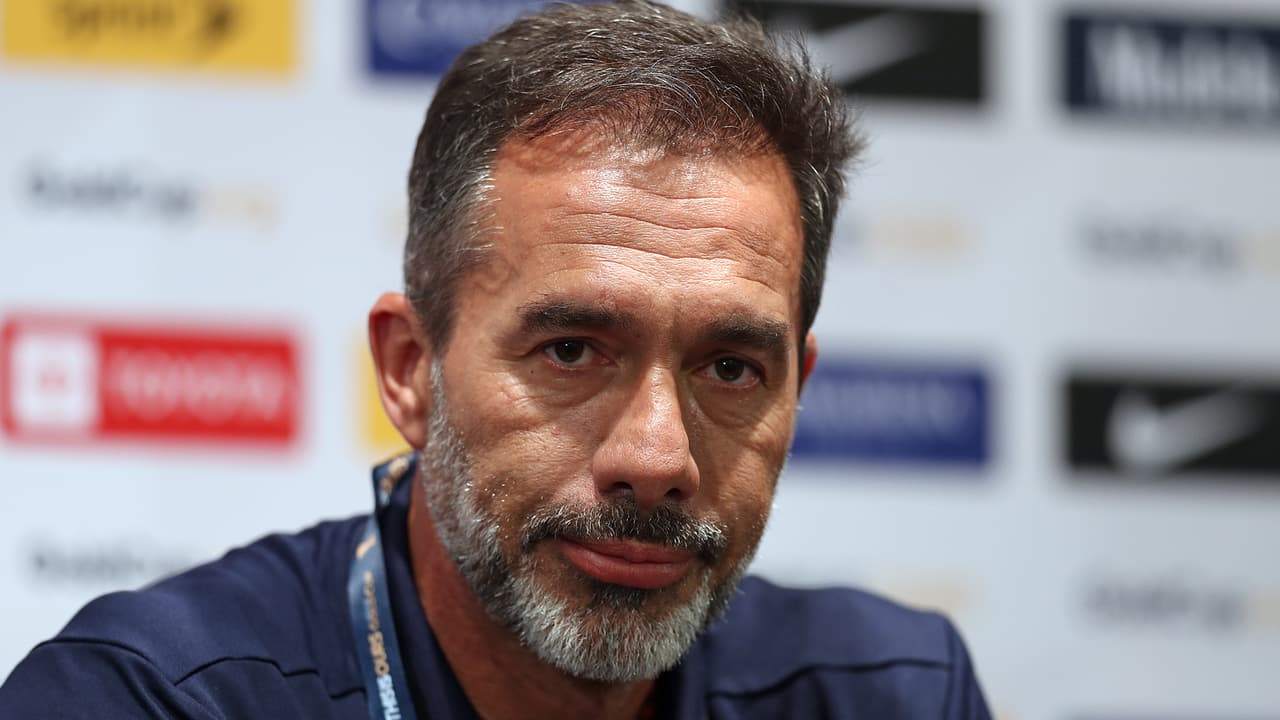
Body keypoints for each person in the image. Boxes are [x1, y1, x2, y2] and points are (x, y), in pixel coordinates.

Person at [0, 1, 991, 717]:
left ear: (796, 390)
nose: (656, 458)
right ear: (409, 370)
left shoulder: (891, 691)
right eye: (572, 350)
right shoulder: (147, 697)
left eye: (730, 368)